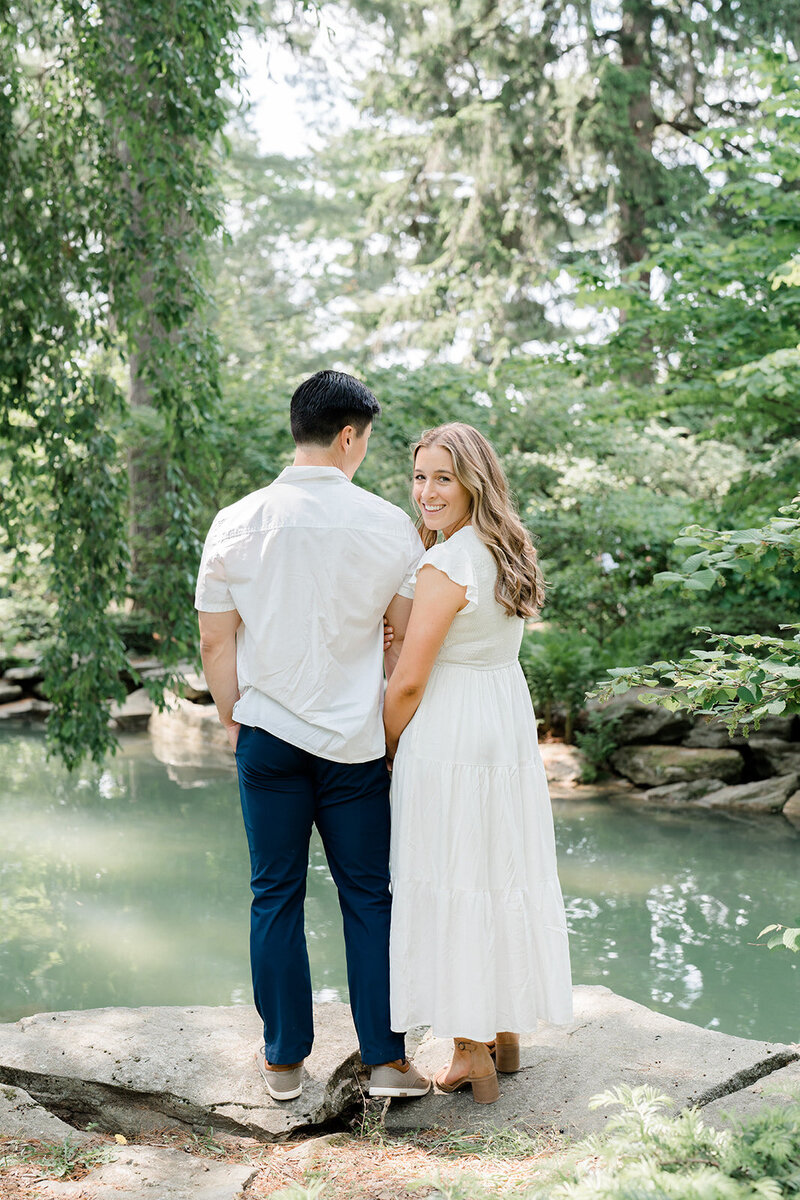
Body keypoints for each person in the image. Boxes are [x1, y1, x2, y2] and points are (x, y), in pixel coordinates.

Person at [194, 370, 430, 1102]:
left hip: (268, 735)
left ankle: (283, 1060)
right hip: (355, 742)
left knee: (274, 894)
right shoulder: (388, 523)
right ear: (351, 435)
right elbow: (398, 639)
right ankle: (387, 1061)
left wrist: (236, 716)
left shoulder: (236, 520)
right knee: (369, 897)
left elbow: (215, 645)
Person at [383, 422, 573, 1104]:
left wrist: (385, 743)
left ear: (473, 482)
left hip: (451, 732)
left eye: (441, 477)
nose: (426, 491)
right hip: (501, 724)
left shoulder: (445, 565)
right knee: (499, 866)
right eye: (419, 476)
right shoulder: (504, 547)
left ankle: (469, 1053)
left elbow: (408, 681)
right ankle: (504, 1032)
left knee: (453, 869)